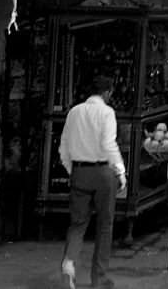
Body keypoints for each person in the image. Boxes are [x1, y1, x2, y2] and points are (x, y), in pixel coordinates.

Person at [58, 74, 127, 289]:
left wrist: (73, 170)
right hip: (103, 173)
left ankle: (69, 263)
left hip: (79, 171)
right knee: (105, 226)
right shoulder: (107, 113)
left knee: (77, 224)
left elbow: (63, 148)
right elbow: (109, 144)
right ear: (106, 93)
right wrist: (121, 171)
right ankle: (99, 278)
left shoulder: (74, 112)